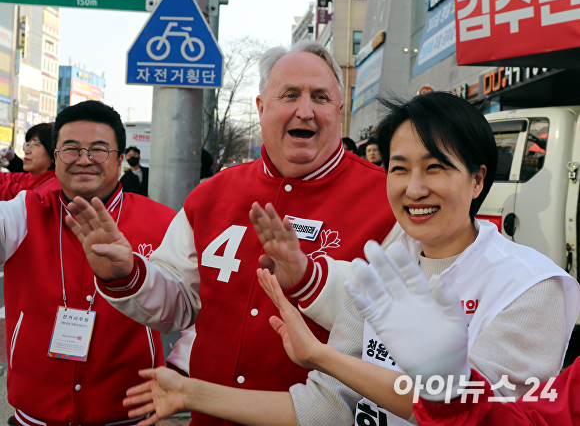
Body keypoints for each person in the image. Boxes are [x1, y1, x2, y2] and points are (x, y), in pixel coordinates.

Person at [121, 92, 579, 426]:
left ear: (478, 180)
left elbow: (484, 417)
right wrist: (190, 392)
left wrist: (324, 356)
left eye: (435, 167)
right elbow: (329, 406)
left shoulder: (530, 286)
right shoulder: (384, 271)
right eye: (399, 169)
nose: (413, 188)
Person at [65, 41, 400, 425]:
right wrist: (127, 274)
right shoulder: (212, 194)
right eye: (289, 94)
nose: (305, 110)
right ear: (261, 108)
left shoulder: (387, 200)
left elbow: (389, 326)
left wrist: (309, 281)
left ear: (339, 112)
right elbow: (178, 302)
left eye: (320, 97)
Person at [2, 100, 176, 426]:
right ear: (55, 159)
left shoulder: (163, 222)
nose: (84, 160)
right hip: (34, 417)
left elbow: (200, 309)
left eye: (99, 150)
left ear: (122, 159)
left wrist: (179, 372)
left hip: (131, 415)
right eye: (70, 149)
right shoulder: (23, 212)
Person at [0, 123, 60, 200]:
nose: (26, 150)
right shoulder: (30, 177)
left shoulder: (52, 192)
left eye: (34, 144)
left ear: (53, 153)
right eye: (27, 145)